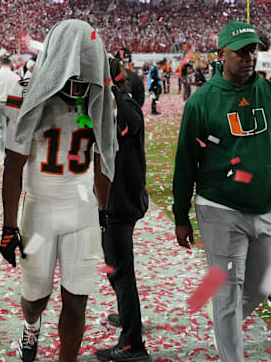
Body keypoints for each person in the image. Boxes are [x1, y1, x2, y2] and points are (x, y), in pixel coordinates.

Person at [172, 21, 271, 362]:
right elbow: (185, 163)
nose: (249, 57)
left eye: (253, 49)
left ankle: (226, 328)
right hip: (218, 208)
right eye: (240, 51)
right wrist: (181, 216)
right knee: (226, 295)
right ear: (221, 54)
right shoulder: (202, 103)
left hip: (265, 205)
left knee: (256, 286)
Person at [1, 19, 116, 362]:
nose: (80, 76)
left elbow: (104, 158)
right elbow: (13, 165)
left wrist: (103, 213)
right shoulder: (25, 93)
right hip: (40, 211)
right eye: (73, 67)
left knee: (77, 297)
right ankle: (31, 325)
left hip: (82, 210)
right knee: (35, 296)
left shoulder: (100, 99)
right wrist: (9, 226)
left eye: (86, 66)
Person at [96, 57, 149, 362]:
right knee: (116, 268)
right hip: (124, 197)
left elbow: (124, 126)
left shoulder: (119, 104)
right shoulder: (120, 99)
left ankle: (132, 343)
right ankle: (128, 317)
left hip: (119, 202)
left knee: (120, 271)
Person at [0, 56, 21, 152]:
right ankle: (11, 149)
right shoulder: (16, 77)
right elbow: (19, 92)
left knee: (1, 129)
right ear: (10, 65)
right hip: (12, 104)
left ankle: (2, 151)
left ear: (0, 65)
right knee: (11, 128)